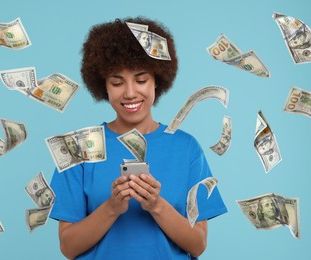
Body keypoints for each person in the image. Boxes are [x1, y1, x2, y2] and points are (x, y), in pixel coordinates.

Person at [49, 17, 227, 260]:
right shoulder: (76, 148)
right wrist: (112, 208)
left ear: (157, 80)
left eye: (141, 80)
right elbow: (68, 248)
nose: (130, 93)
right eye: (117, 82)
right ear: (104, 86)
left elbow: (198, 245)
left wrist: (156, 205)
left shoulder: (186, 148)